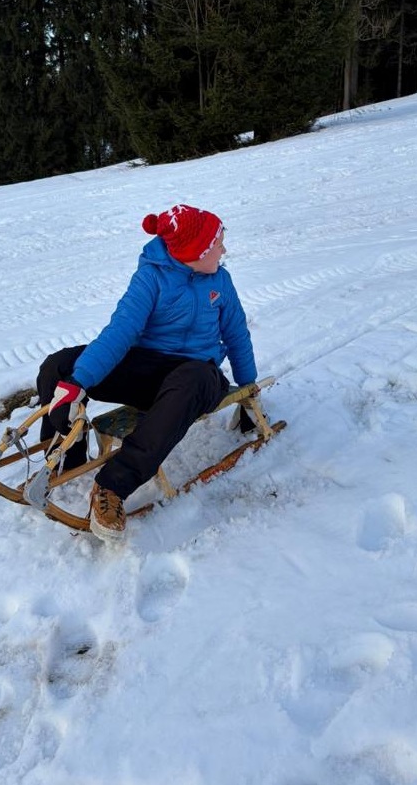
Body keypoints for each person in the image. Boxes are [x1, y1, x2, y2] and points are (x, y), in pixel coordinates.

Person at [37, 203, 258, 541]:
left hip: (197, 376)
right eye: (218, 244)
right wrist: (78, 382)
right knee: (59, 365)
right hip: (148, 369)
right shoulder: (151, 277)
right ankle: (66, 450)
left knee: (194, 378)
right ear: (195, 253)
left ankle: (113, 486)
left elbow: (236, 334)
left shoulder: (221, 281)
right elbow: (120, 331)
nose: (224, 250)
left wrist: (248, 387)